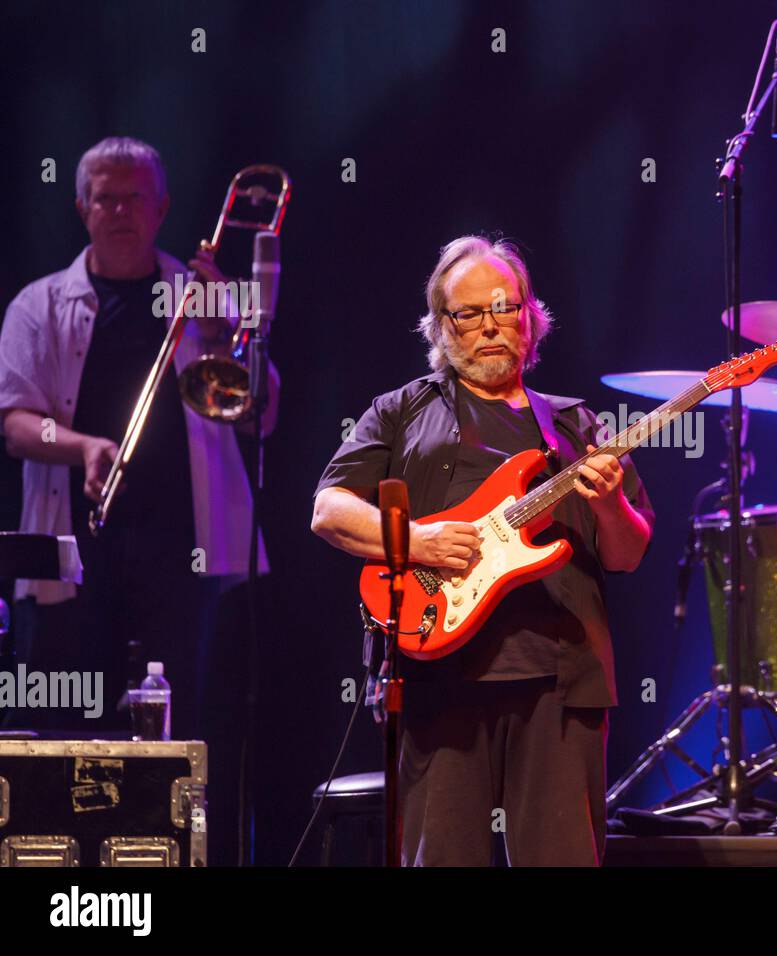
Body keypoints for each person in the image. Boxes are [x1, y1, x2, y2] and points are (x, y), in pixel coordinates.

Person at [311, 235, 653, 866]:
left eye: (505, 308)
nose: (490, 326)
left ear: (530, 317)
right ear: (442, 327)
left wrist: (609, 502)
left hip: (561, 679)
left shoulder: (576, 425)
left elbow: (628, 554)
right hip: (439, 672)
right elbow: (329, 511)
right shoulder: (402, 410)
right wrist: (415, 541)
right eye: (469, 314)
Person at [0, 136, 278, 864]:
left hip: (183, 550)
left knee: (181, 730)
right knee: (73, 727)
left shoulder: (200, 295)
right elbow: (16, 422)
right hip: (75, 550)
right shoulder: (38, 305)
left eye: (134, 198)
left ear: (161, 209)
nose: (120, 210)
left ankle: (168, 865)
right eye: (105, 197)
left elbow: (261, 414)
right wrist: (85, 446)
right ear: (81, 207)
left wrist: (224, 331)